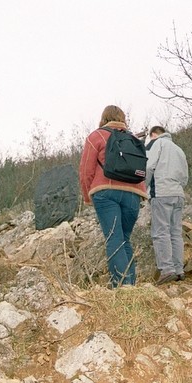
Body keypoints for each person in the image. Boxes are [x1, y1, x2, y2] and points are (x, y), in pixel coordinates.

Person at [78, 105, 148, 288]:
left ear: (104, 118)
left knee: (113, 238)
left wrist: (87, 197)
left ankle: (121, 285)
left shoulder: (96, 136)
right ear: (123, 118)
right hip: (133, 194)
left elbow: (85, 171)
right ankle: (130, 284)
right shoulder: (133, 138)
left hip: (106, 192)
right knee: (125, 238)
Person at [145, 126, 189, 285]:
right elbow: (185, 176)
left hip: (162, 193)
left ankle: (166, 270)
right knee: (175, 232)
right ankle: (179, 270)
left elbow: (149, 166)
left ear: (154, 135)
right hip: (178, 194)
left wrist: (143, 187)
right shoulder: (179, 149)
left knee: (160, 231)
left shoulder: (157, 144)